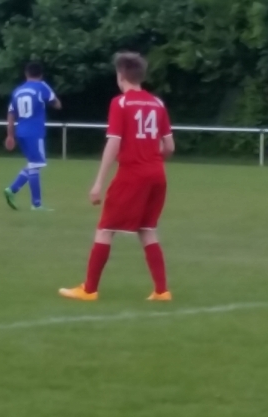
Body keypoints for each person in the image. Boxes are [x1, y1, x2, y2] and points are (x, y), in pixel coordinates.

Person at [59, 52, 175, 302]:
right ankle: (162, 290)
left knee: (105, 229)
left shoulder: (120, 103)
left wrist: (98, 183)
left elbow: (113, 143)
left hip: (132, 175)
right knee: (147, 229)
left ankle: (89, 290)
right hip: (157, 175)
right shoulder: (157, 104)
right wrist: (151, 160)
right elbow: (169, 147)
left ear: (121, 75)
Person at [4, 62, 61, 211]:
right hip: (35, 132)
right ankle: (34, 203)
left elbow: (11, 114)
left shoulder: (18, 91)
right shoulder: (42, 86)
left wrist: (10, 135)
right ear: (41, 74)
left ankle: (14, 190)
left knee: (33, 164)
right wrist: (50, 101)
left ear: (26, 74)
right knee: (36, 165)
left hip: (20, 132)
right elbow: (57, 104)